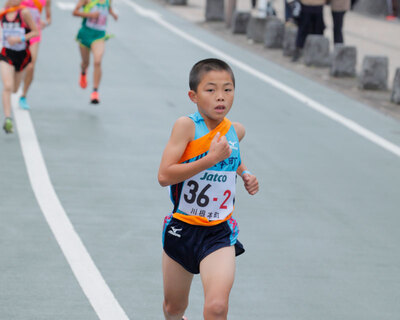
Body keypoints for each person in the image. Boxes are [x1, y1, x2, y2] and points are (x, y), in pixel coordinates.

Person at [158, 58, 259, 320]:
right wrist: (209, 160)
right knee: (173, 309)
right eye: (211, 90)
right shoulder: (186, 126)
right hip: (183, 229)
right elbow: (164, 175)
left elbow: (231, 155)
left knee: (216, 307)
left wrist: (245, 173)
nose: (220, 97)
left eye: (227, 89)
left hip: (218, 233)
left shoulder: (236, 131)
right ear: (193, 95)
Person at [0, 0, 38, 133]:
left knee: (15, 89)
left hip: (22, 56)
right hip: (6, 54)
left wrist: (19, 39)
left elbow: (35, 32)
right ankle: (8, 118)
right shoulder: (3, 13)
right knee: (8, 86)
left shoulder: (24, 12)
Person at [72, 0, 118, 104]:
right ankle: (83, 72)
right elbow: (74, 12)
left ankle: (95, 92)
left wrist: (113, 14)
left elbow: (108, 8)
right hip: (85, 34)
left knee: (97, 62)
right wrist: (90, 15)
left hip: (99, 35)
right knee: (85, 63)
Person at [18, 0, 51, 110]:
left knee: (31, 66)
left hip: (34, 33)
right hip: (18, 32)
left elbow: (49, 18)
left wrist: (45, 23)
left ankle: (23, 95)